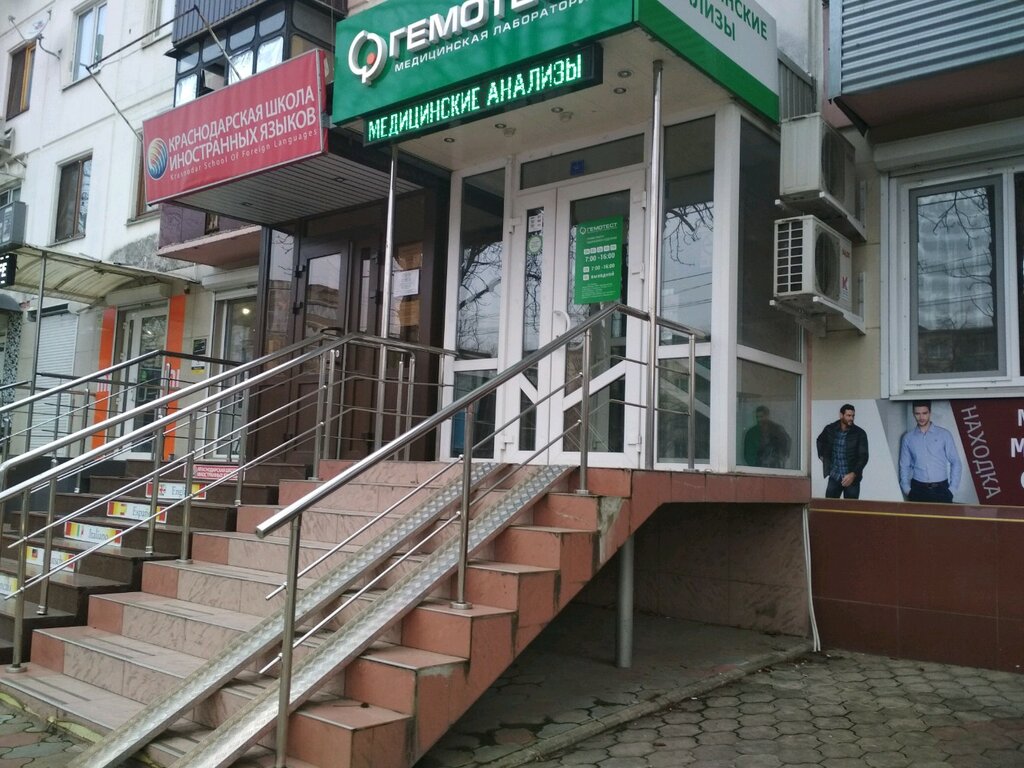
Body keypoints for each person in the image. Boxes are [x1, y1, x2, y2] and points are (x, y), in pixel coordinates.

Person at [899, 400, 961, 503]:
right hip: (917, 489)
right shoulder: (908, 438)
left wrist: (952, 489)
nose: (921, 417)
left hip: (941, 490)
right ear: (913, 414)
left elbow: (956, 461)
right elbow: (904, 465)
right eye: (917, 413)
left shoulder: (944, 435)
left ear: (930, 413)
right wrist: (906, 489)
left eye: (924, 413)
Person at [816, 403, 869, 498]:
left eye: (853, 416)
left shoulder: (859, 433)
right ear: (841, 415)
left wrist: (853, 474)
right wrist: (823, 457)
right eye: (848, 415)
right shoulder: (830, 429)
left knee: (850, 507)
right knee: (829, 505)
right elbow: (820, 441)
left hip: (851, 478)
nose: (851, 418)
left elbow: (863, 457)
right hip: (834, 475)